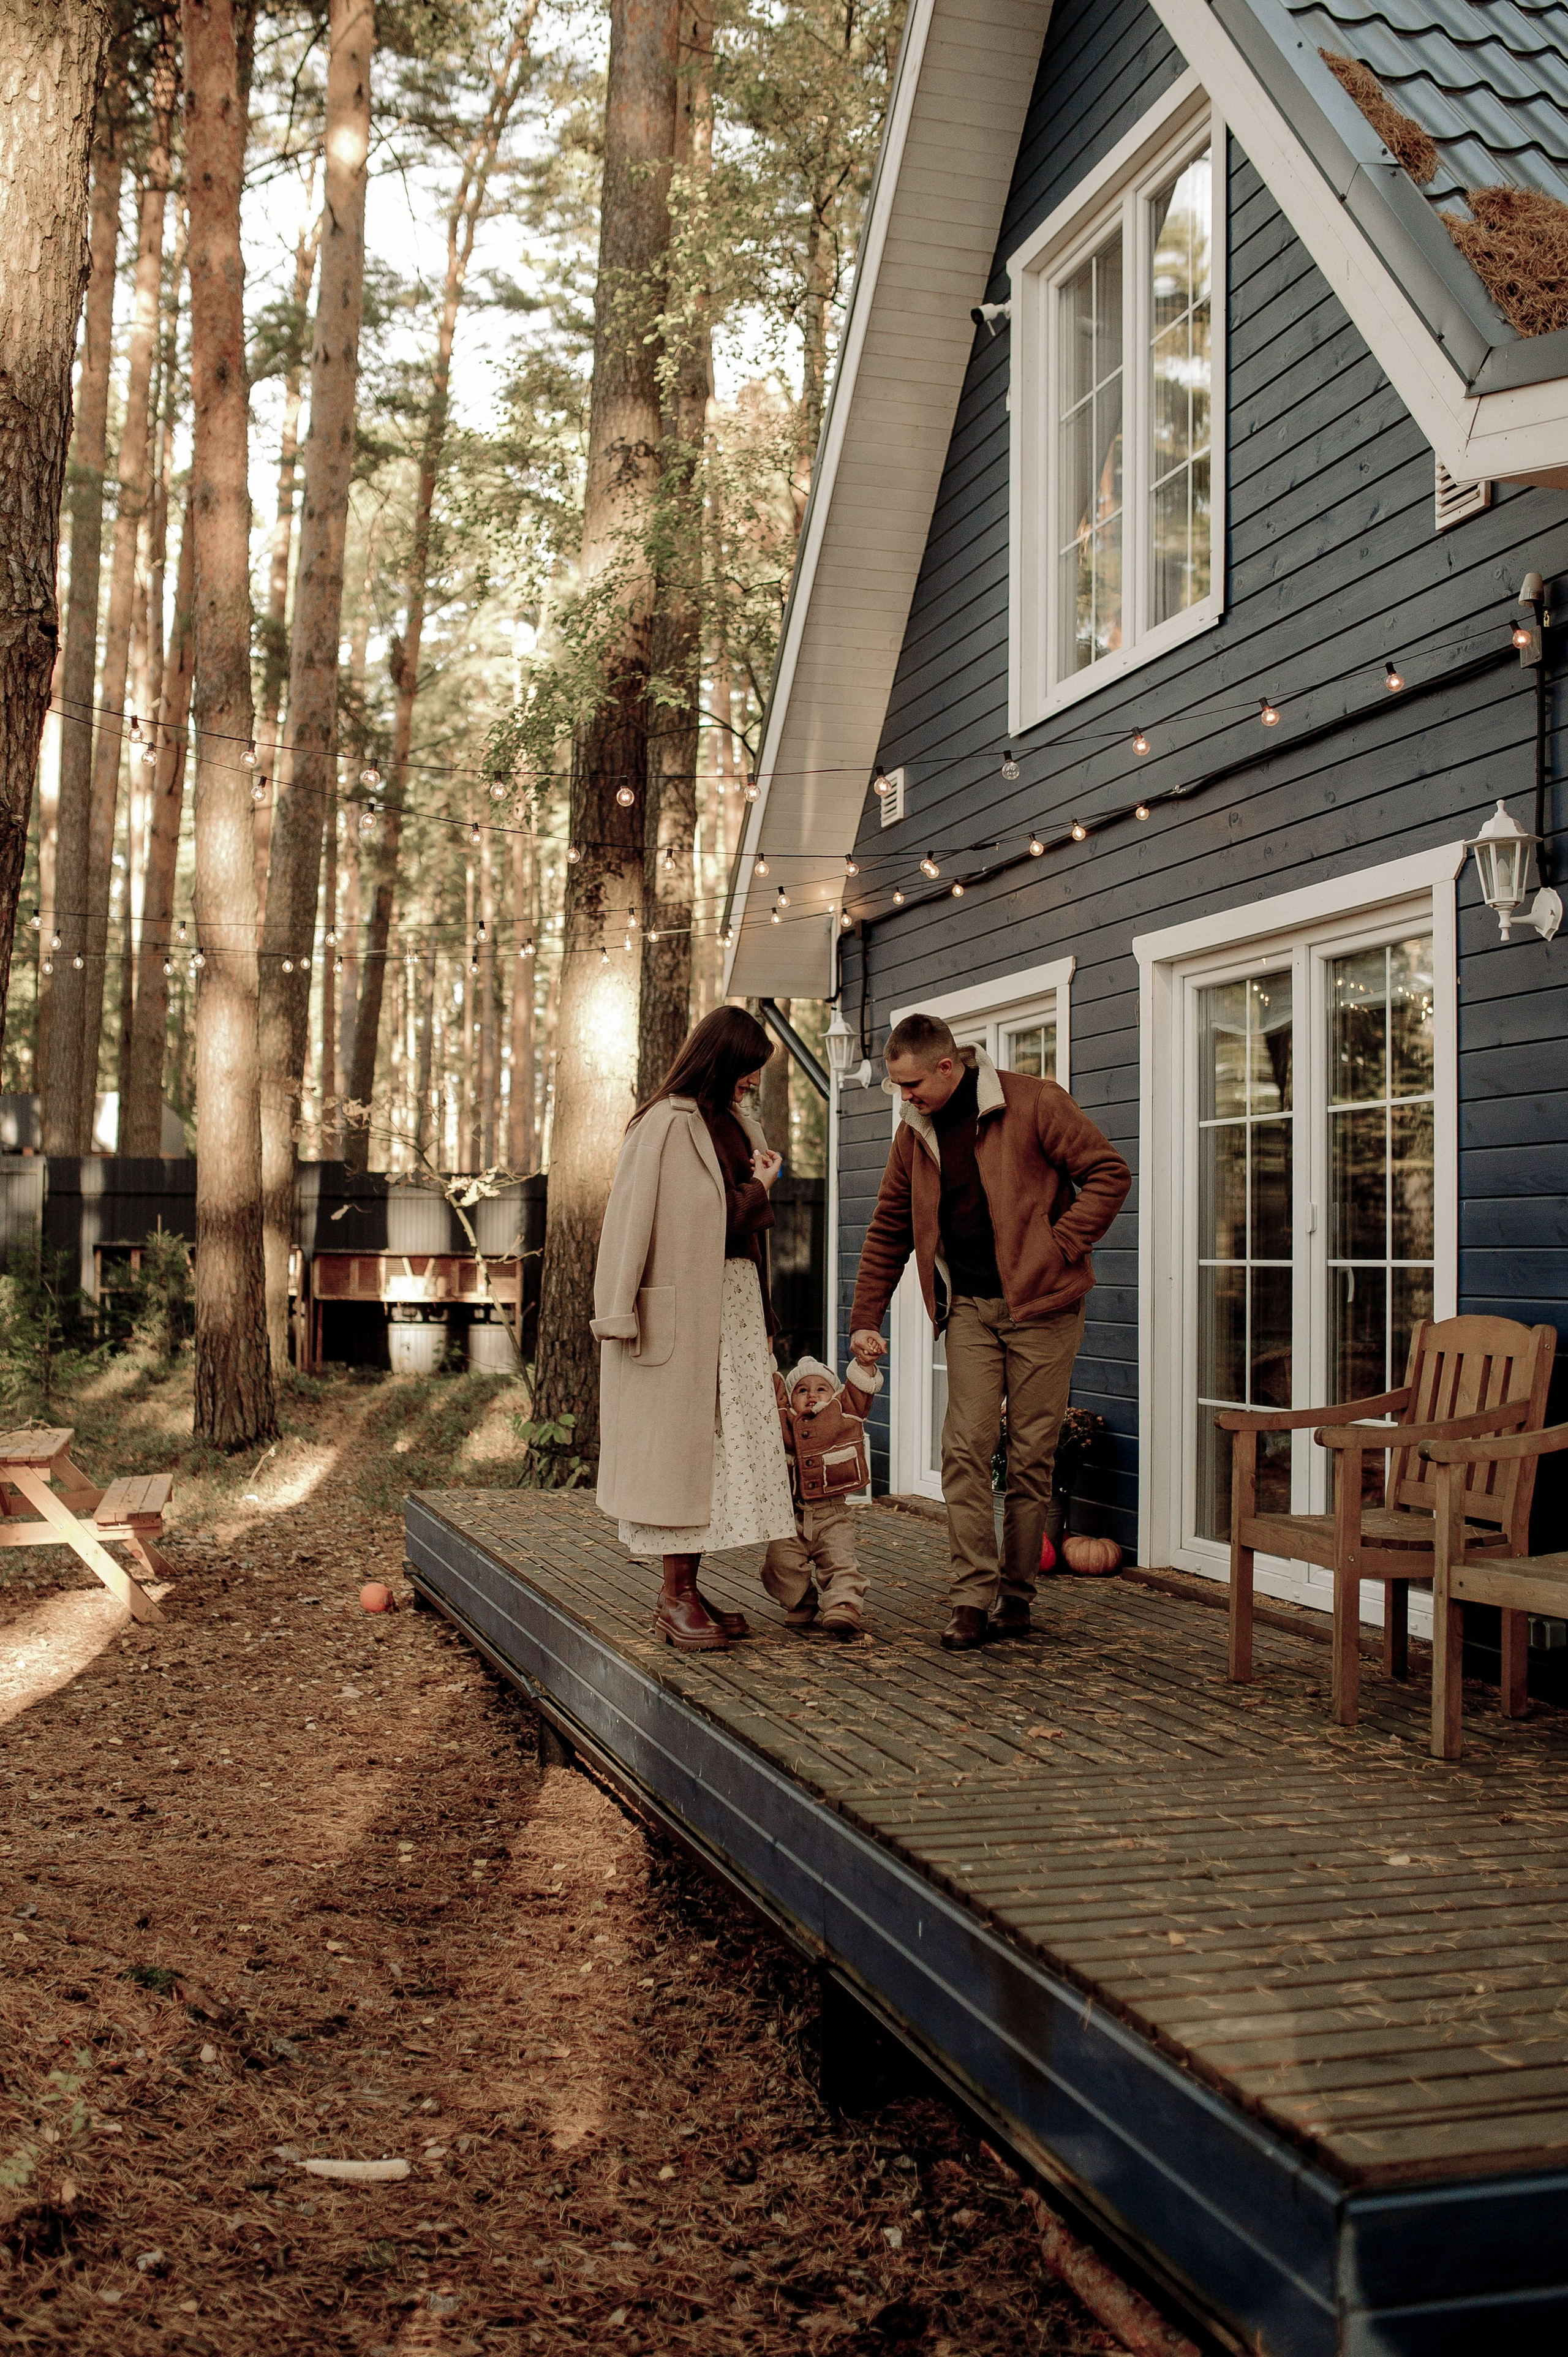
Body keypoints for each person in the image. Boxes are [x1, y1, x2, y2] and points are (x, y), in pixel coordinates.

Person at [848, 1012, 1130, 1651]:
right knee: (965, 1450)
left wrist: (1060, 1244)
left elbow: (1108, 1173)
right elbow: (890, 1227)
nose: (904, 1096)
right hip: (970, 1309)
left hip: (1043, 1309)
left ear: (949, 1066)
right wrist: (866, 1317)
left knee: (1030, 1458)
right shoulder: (913, 1132)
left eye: (912, 1083)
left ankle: (1016, 1595)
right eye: (897, 1085)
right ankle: (970, 1597)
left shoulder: (1034, 1102)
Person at [591, 1006, 797, 1651]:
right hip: (682, 1312)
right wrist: (615, 1310)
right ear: (721, 1059)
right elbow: (631, 1221)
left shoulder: (732, 1122)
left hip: (729, 1306)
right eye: (747, 1070)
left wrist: (761, 1320)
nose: (752, 1083)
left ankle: (690, 1590)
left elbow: (731, 1227)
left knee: (718, 1453)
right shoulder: (664, 1124)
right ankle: (672, 1597)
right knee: (682, 1454)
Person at [762, 1354, 882, 1639]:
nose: (812, 1395)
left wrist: (865, 1364)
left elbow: (860, 1389)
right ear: (791, 1399)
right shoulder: (782, 1418)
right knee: (779, 1565)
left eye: (821, 1389)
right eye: (802, 1390)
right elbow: (771, 1386)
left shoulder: (844, 1414)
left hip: (833, 1513)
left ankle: (844, 1605)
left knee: (841, 1562)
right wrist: (764, 1354)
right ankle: (802, 1601)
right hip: (790, 1514)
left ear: (834, 1394)